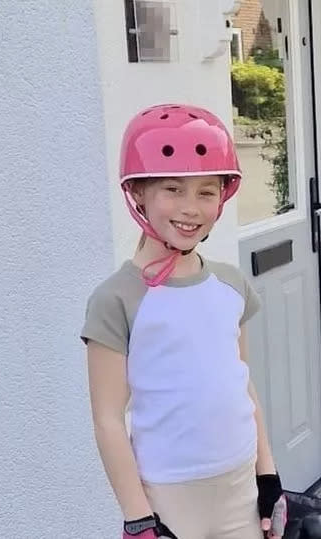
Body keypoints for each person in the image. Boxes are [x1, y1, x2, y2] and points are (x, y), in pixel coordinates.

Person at [81, 103, 287, 539]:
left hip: (239, 487)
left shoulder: (230, 285)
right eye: (173, 189)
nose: (191, 208)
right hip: (169, 497)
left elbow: (243, 383)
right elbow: (108, 419)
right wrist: (138, 517)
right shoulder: (116, 299)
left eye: (206, 192)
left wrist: (267, 475)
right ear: (138, 193)